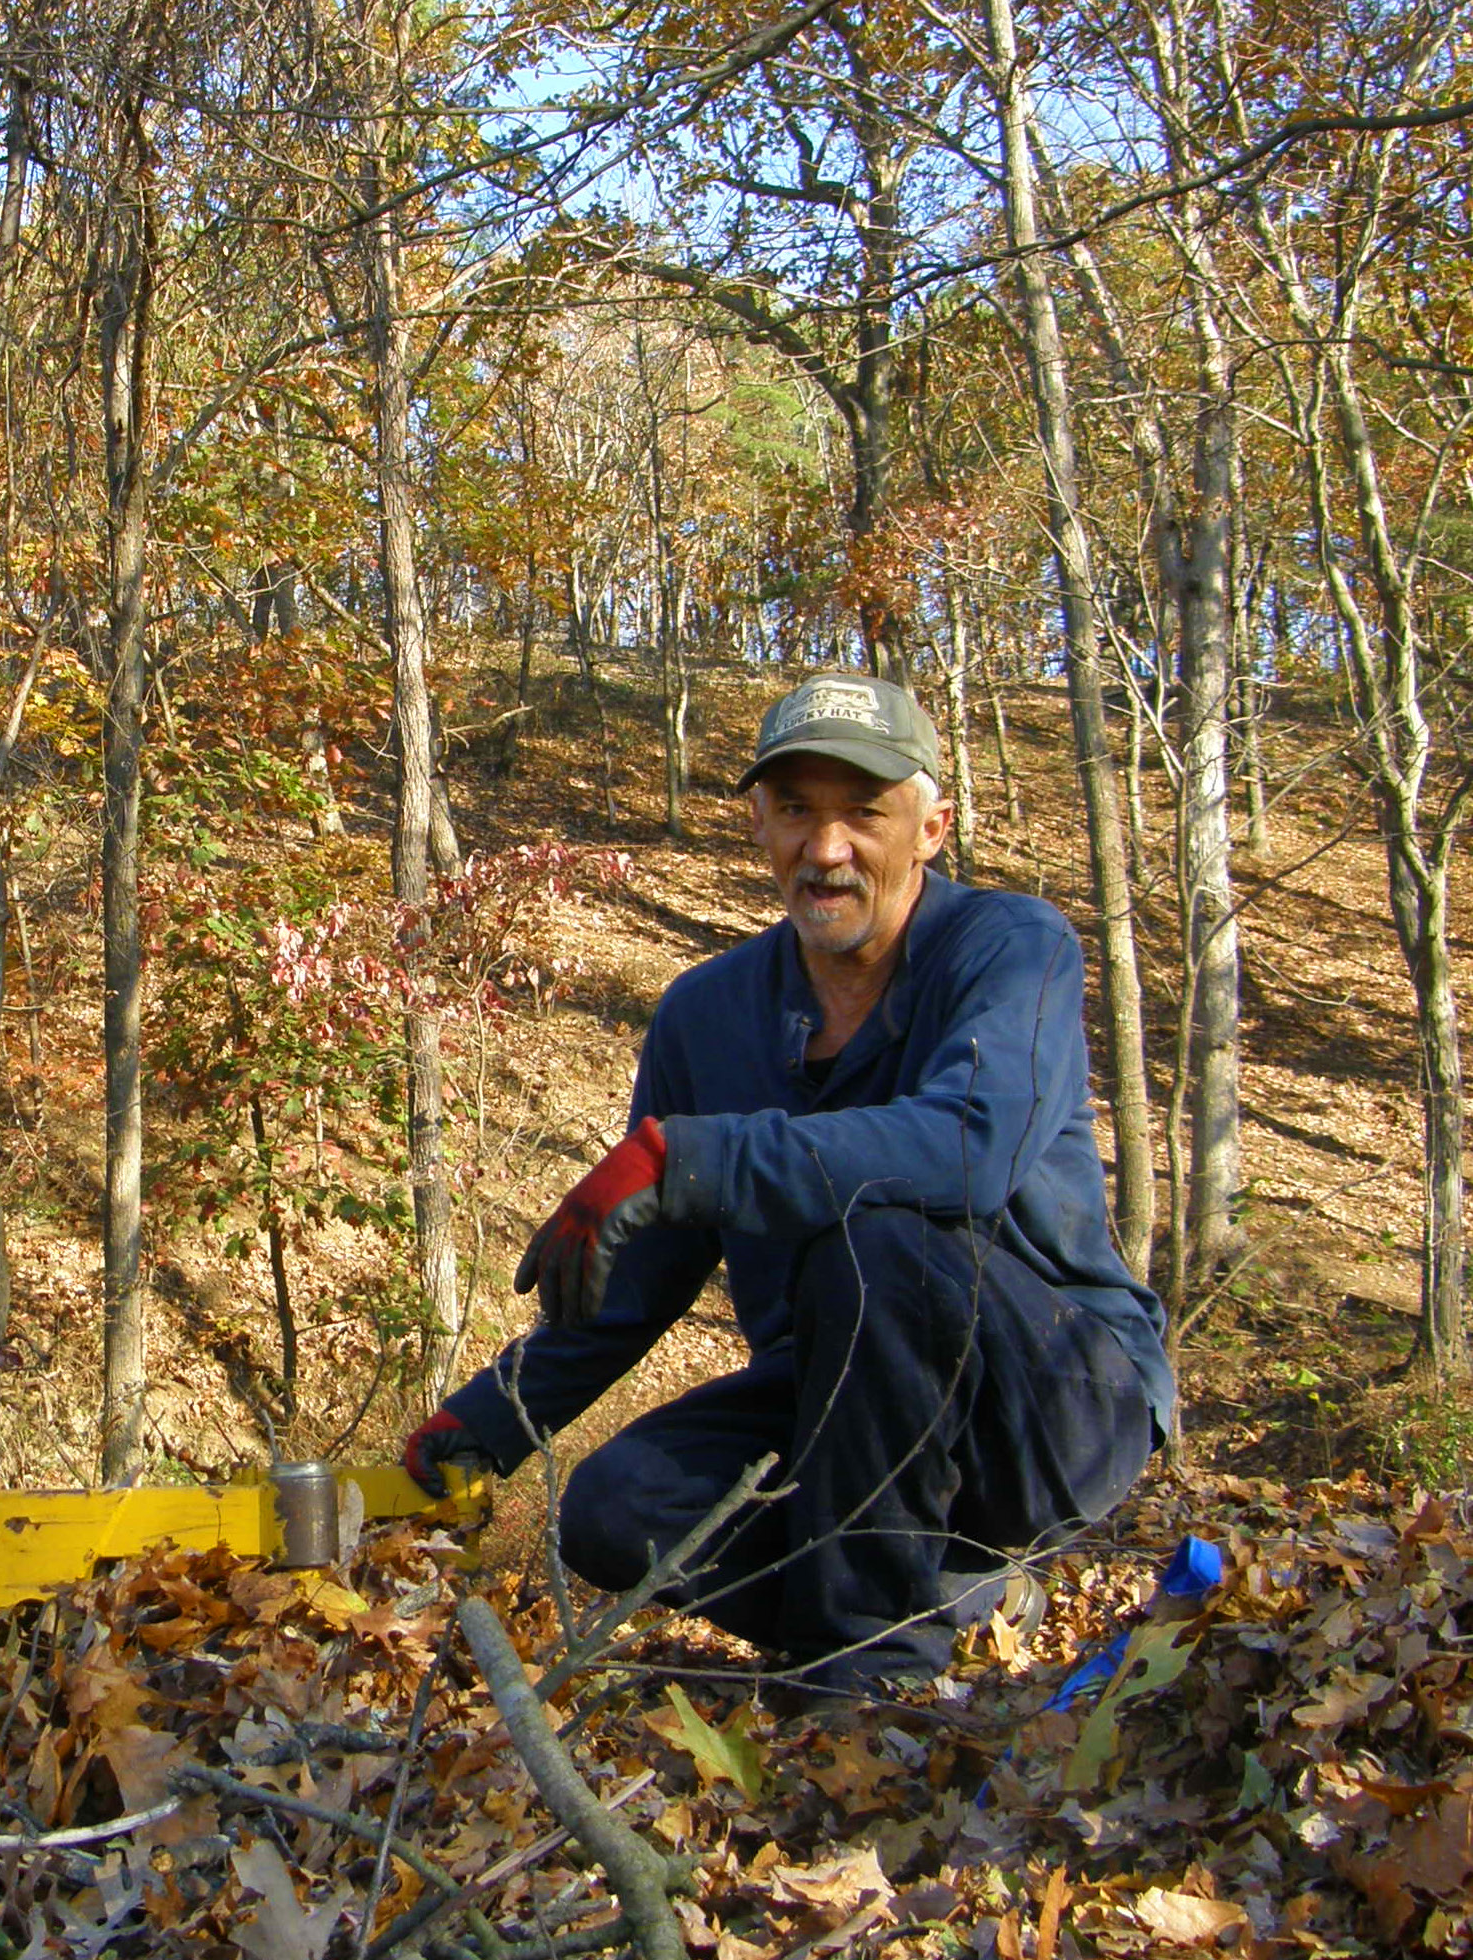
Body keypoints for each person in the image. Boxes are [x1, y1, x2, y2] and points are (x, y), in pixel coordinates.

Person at [404, 673, 1171, 1701]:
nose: (827, 848)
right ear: (758, 820)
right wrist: (479, 1427)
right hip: (835, 1412)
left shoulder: (1009, 947)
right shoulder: (705, 1015)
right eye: (799, 809)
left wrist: (690, 1158)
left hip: (1054, 1398)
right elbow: (632, 1293)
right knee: (614, 1506)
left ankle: (873, 1682)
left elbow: (969, 1150)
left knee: (882, 1235)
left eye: (864, 811)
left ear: (931, 826)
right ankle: (944, 1595)